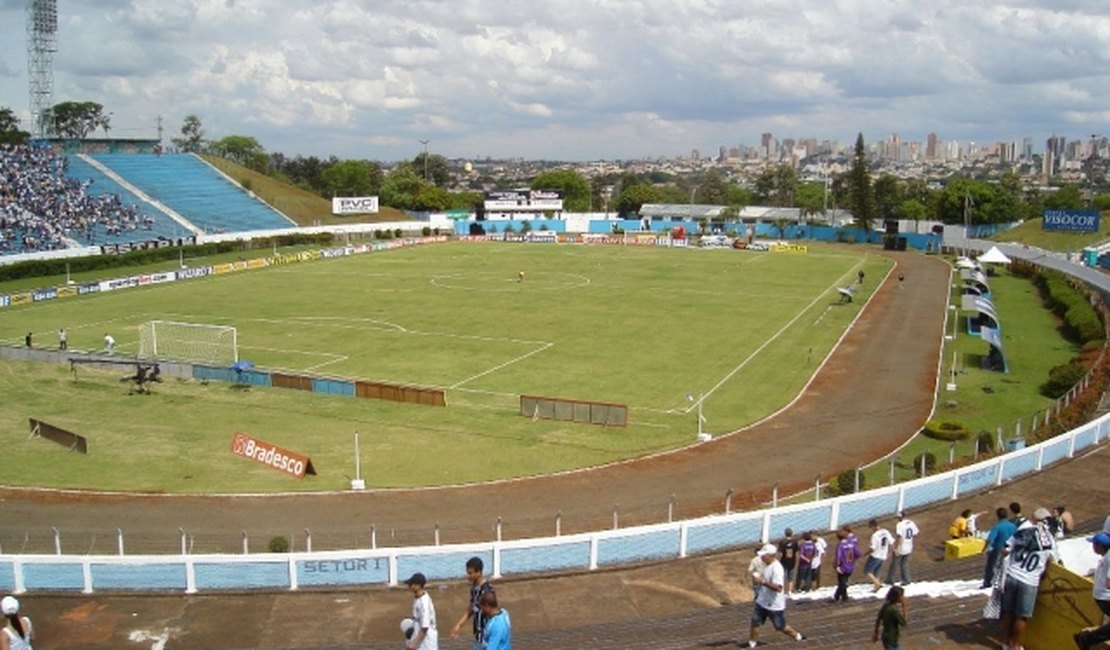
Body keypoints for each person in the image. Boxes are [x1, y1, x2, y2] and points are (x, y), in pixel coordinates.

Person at [1000, 507, 1058, 650]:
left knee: (1007, 611)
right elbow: (1053, 560)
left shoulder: (1022, 532)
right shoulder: (1050, 539)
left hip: (1013, 574)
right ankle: (1016, 645)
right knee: (1022, 616)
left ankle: (1006, 642)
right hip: (1030, 581)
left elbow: (1005, 549)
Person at [747, 543, 806, 647]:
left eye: (763, 555)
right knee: (755, 622)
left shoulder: (777, 569)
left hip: (774, 604)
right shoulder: (766, 564)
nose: (761, 557)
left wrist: (763, 582)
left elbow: (778, 588)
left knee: (780, 626)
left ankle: (797, 636)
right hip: (762, 600)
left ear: (771, 555)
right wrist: (757, 580)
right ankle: (752, 643)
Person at [1074, 517, 1110, 650]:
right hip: (1105, 596)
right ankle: (1088, 638)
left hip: (1101, 596)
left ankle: (1089, 635)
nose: (1093, 549)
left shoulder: (1106, 556)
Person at [451, 556, 494, 650]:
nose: (468, 575)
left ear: (479, 572)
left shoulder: (487, 591)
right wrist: (459, 625)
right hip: (478, 637)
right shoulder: (474, 588)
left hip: (487, 638)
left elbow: (493, 613)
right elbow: (471, 608)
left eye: (470, 573)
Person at [982, 507, 1017, 589]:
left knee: (991, 566)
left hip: (998, 549)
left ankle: (988, 583)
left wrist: (985, 549)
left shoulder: (997, 527)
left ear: (998, 516)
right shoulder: (1013, 526)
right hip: (1011, 549)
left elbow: (990, 539)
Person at [405, 572, 438, 650]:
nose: (409, 586)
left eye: (411, 584)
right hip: (420, 642)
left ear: (418, 585)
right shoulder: (418, 598)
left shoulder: (423, 603)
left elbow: (425, 626)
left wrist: (413, 644)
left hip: (426, 644)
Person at [886, 511, 919, 586]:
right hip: (909, 546)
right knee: (904, 563)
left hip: (902, 547)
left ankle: (890, 579)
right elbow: (915, 534)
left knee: (894, 563)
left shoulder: (900, 525)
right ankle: (906, 579)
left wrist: (897, 548)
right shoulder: (911, 523)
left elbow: (899, 537)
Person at [872, 585, 907, 650]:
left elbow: (878, 618)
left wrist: (876, 633)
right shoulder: (893, 610)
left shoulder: (886, 605)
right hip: (891, 639)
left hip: (886, 637)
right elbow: (904, 623)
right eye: (902, 596)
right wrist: (905, 607)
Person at [863, 519, 894, 592]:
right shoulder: (885, 531)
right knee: (877, 571)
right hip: (883, 555)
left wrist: (865, 554)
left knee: (867, 571)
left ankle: (877, 583)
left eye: (870, 527)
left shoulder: (875, 535)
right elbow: (892, 542)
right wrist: (890, 552)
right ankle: (876, 587)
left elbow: (873, 548)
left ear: (873, 526)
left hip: (876, 555)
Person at [833, 526, 862, 602]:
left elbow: (838, 557)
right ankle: (842, 596)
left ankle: (839, 596)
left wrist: (837, 566)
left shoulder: (840, 546)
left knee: (842, 582)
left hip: (843, 566)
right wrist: (853, 560)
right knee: (844, 581)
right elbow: (858, 554)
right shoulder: (852, 544)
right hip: (850, 566)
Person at [778, 528, 799, 595]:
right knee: (791, 577)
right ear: (792, 533)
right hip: (792, 561)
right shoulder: (795, 542)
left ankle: (782, 590)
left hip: (783, 561)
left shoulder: (782, 542)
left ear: (785, 534)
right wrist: (797, 560)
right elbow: (797, 552)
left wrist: (778, 560)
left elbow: (780, 553)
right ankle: (790, 591)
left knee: (781, 576)